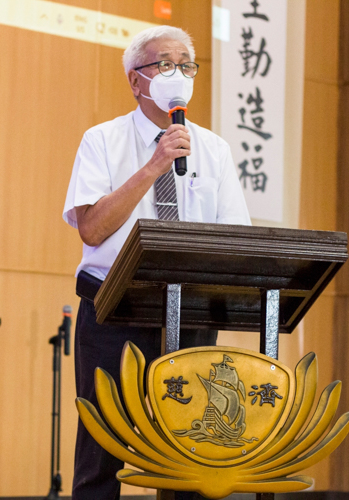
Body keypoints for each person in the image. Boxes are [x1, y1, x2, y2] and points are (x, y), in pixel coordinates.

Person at [62, 25, 251, 500]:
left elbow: (234, 238)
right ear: (135, 80)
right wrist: (154, 166)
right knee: (103, 442)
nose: (180, 74)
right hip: (114, 307)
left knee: (191, 441)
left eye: (187, 65)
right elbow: (92, 228)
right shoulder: (102, 140)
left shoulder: (215, 149)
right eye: (165, 64)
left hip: (191, 309)